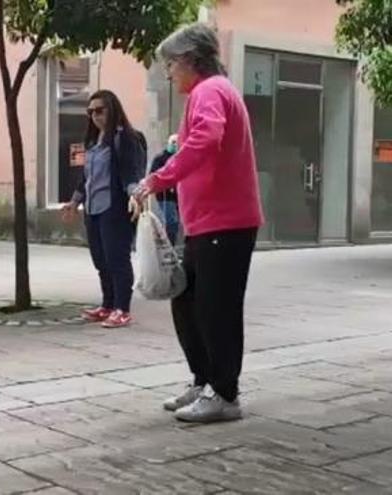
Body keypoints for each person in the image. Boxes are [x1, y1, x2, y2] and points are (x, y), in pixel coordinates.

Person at [135, 23, 264, 423]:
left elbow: (206, 139)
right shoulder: (214, 91)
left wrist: (159, 177)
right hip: (210, 223)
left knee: (215, 309)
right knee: (187, 300)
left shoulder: (210, 91)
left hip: (225, 223)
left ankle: (224, 394)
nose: (168, 72)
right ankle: (205, 380)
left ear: (191, 60)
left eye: (171, 64)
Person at [62, 90, 146, 329]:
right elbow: (85, 179)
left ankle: (123, 309)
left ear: (113, 109)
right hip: (93, 209)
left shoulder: (126, 138)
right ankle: (107, 304)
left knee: (117, 259)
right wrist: (74, 202)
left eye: (100, 110)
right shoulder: (92, 141)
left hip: (115, 208)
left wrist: (136, 195)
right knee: (100, 260)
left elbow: (132, 172)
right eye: (90, 112)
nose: (95, 116)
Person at [149, 134, 181, 244]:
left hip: (178, 196)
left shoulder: (180, 157)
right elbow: (153, 174)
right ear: (168, 143)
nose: (175, 145)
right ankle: (169, 244)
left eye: (177, 142)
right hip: (165, 195)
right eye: (173, 142)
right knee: (171, 221)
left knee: (175, 223)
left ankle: (172, 244)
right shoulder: (160, 158)